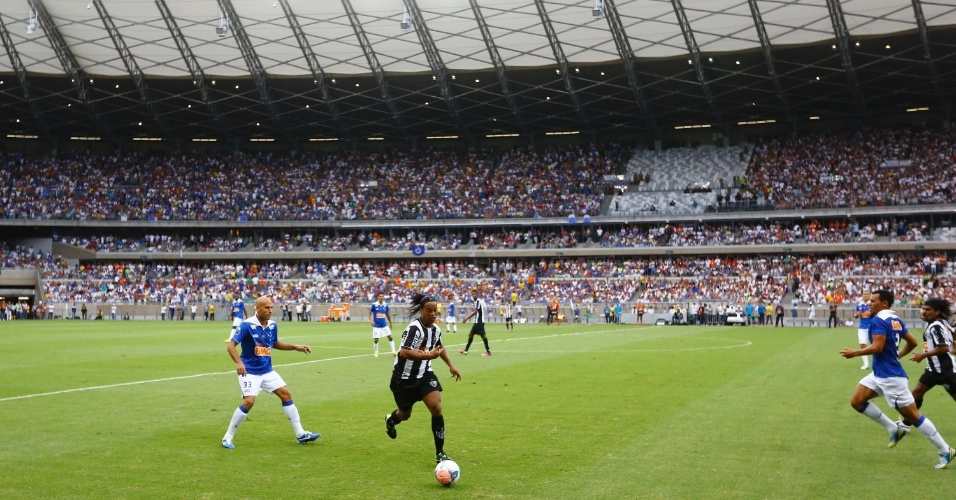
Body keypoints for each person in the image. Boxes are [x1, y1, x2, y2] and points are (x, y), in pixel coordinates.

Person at [840, 290, 955, 469]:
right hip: (879, 373)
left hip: (891, 377)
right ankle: (894, 428)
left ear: (884, 303)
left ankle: (945, 449)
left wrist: (855, 353)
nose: (869, 303)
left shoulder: (879, 320)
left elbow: (877, 347)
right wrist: (897, 355)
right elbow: (913, 342)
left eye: (873, 301)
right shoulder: (895, 320)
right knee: (857, 401)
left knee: (913, 416)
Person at [221, 296, 321, 449]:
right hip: (250, 371)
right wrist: (239, 362)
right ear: (258, 308)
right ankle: (227, 437)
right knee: (249, 402)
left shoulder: (273, 325)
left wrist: (295, 347)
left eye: (271, 307)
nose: (270, 310)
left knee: (286, 394)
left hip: (267, 371)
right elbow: (231, 346)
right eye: (267, 308)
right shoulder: (247, 325)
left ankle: (301, 434)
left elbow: (274, 343)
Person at [384, 293, 461, 464]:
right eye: (429, 310)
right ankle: (391, 420)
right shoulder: (414, 328)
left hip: (425, 375)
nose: (433, 314)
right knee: (405, 414)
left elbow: (439, 347)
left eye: (435, 310)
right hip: (403, 379)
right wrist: (429, 356)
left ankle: (440, 452)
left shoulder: (436, 330)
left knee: (436, 407)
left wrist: (450, 365)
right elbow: (404, 352)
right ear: (421, 310)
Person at [906, 298, 956, 415]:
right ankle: (907, 422)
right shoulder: (942, 323)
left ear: (937, 312)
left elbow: (943, 348)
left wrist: (922, 355)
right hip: (932, 370)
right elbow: (952, 331)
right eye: (923, 309)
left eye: (928, 310)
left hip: (946, 370)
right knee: (917, 393)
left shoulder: (935, 326)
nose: (924, 312)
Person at [460, 288, 491, 356]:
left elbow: (476, 312)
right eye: (472, 294)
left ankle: (488, 351)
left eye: (474, 294)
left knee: (483, 336)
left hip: (479, 322)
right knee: (471, 334)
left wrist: (467, 318)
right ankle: (466, 350)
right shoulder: (476, 301)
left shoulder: (478, 301)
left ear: (477, 294)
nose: (473, 295)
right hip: (477, 321)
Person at [369, 293, 397, 358]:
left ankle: (393, 351)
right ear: (378, 297)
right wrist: (371, 321)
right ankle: (376, 352)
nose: (381, 297)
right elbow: (369, 313)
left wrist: (390, 323)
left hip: (384, 325)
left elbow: (387, 314)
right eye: (380, 296)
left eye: (382, 296)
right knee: (376, 339)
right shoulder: (374, 305)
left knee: (390, 337)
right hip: (376, 325)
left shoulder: (385, 305)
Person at [854, 291, 873, 370]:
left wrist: (871, 313)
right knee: (862, 345)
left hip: (872, 327)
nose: (865, 295)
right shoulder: (859, 305)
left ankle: (879, 362)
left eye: (867, 294)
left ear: (870, 295)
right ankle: (866, 364)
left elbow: (876, 314)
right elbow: (856, 316)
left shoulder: (872, 304)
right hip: (862, 327)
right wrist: (856, 315)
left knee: (876, 345)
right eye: (864, 294)